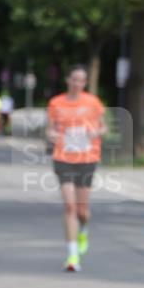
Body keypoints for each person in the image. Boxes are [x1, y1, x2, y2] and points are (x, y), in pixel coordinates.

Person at [46, 65, 106, 272]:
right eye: (74, 79)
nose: (77, 83)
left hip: (87, 158)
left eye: (81, 80)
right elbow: (50, 129)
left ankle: (84, 229)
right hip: (63, 157)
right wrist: (51, 135)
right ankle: (72, 256)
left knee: (82, 210)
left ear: (85, 82)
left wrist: (94, 133)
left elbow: (103, 127)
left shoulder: (93, 102)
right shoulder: (55, 103)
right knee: (69, 207)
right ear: (67, 80)